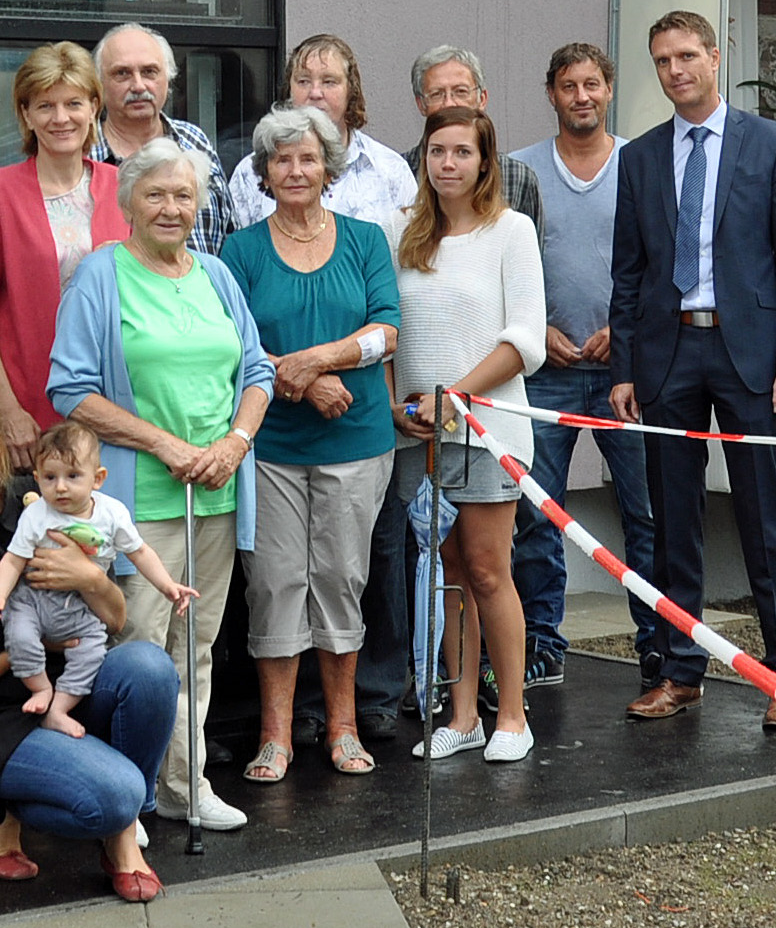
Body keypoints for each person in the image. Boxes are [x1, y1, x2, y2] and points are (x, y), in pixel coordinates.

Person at [46, 139, 275, 833]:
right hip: (140, 501)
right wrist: (162, 443)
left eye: (183, 196)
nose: (171, 208)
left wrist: (235, 442)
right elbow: (70, 389)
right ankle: (127, 793)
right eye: (156, 195)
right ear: (129, 203)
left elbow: (257, 371)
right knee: (138, 650)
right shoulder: (99, 275)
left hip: (218, 493)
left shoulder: (216, 274)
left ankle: (185, 783)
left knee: (196, 647)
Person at [0, 378, 177, 901]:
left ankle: (120, 838)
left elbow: (114, 620)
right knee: (117, 793)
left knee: (151, 669)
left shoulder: (43, 505)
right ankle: (0, 801)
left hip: (63, 694)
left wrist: (90, 580)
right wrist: (18, 655)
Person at [608, 10, 776, 731]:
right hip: (668, 354)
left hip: (750, 355)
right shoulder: (640, 157)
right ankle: (680, 671)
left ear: (715, 56)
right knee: (673, 521)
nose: (675, 71)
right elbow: (628, 273)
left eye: (686, 56)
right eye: (662, 60)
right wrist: (625, 367)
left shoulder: (770, 144)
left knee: (764, 515)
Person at [219, 104, 401, 781]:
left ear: (329, 168)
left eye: (307, 157)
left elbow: (387, 331)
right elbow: (234, 345)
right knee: (273, 584)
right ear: (264, 173)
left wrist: (316, 361)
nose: (295, 170)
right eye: (281, 159)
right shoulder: (240, 250)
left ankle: (343, 727)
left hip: (357, 440)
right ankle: (276, 736)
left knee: (341, 580)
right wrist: (304, 384)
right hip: (269, 445)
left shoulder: (366, 241)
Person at [392, 106, 546, 765]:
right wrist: (398, 404)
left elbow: (526, 340)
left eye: (462, 152)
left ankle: (511, 715)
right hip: (418, 433)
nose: (447, 163)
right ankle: (462, 717)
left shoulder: (511, 231)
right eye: (437, 151)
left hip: (486, 431)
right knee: (446, 574)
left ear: (485, 162)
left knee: (487, 570)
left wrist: (455, 397)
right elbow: (389, 327)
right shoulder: (402, 231)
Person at [508, 43, 662, 691]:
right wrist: (533, 329)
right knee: (536, 515)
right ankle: (542, 644)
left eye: (592, 84)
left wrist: (624, 331)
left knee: (647, 514)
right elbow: (501, 263)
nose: (581, 96)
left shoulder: (640, 164)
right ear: (552, 93)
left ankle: (659, 646)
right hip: (545, 369)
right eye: (569, 85)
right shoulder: (520, 171)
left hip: (626, 372)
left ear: (609, 89)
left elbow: (663, 263)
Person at [0, 43, 129, 470]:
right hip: (31, 415)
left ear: (94, 108)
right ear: (25, 115)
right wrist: (6, 409)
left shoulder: (125, 186)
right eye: (45, 106)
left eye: (73, 103)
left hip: (116, 410)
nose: (61, 118)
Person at [0, 420, 195, 737]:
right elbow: (13, 560)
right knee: (19, 634)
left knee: (92, 652)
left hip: (82, 607)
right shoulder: (36, 514)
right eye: (50, 478)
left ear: (98, 478)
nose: (61, 487)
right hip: (34, 599)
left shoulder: (112, 514)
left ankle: (59, 708)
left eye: (73, 476)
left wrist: (168, 586)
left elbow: (140, 552)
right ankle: (40, 687)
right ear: (37, 478)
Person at [226, 34, 418, 230]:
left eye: (329, 82)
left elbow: (412, 246)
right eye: (303, 81)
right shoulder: (250, 173)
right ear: (289, 90)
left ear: (351, 90)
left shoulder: (391, 171)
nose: (315, 93)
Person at [88, 22, 229, 254]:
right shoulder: (83, 154)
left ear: (168, 78)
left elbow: (228, 231)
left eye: (149, 72)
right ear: (99, 83)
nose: (138, 85)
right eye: (122, 73)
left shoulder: (194, 141)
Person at [406, 45, 546, 228]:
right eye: (437, 94)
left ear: (482, 98)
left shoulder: (517, 177)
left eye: (460, 92)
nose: (449, 103)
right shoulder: (399, 171)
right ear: (421, 104)